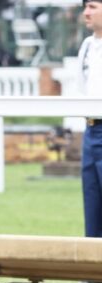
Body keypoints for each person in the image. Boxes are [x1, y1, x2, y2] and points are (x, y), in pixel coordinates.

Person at [78, 0, 102, 238]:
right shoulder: (86, 46)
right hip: (91, 131)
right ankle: (93, 269)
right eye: (85, 7)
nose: (86, 12)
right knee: (92, 199)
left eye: (93, 6)